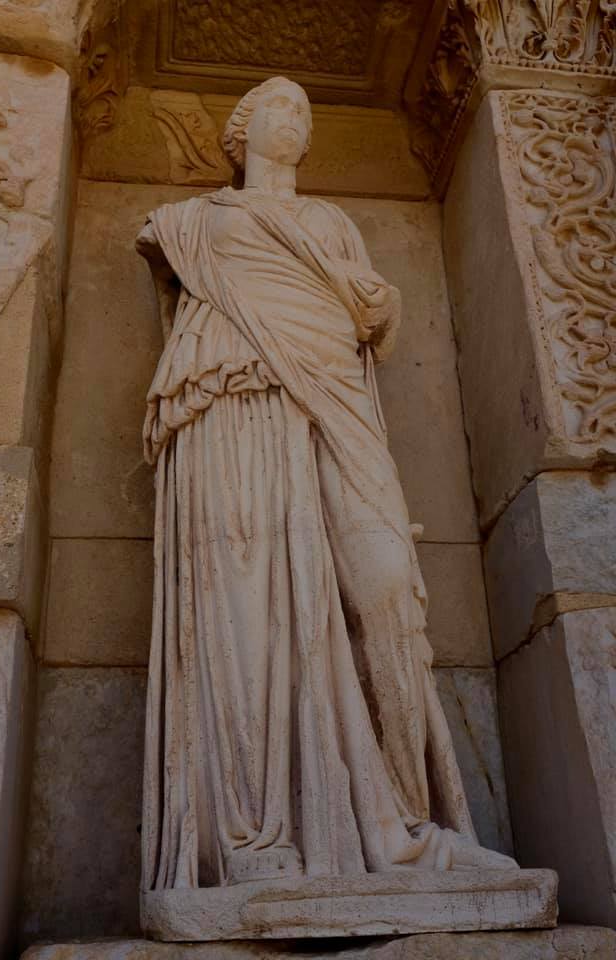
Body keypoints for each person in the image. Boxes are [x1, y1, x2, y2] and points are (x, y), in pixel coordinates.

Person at [136, 75, 515, 893]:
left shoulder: (333, 224)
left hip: (337, 410)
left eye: (305, 110)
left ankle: (406, 825)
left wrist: (370, 306)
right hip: (233, 404)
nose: (294, 117)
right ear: (240, 131)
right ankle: (255, 836)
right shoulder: (192, 222)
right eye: (277, 105)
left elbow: (361, 323)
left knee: (386, 591)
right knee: (246, 610)